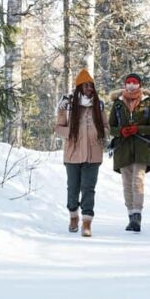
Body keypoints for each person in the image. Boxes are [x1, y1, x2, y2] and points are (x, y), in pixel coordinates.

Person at [55, 68, 106, 237]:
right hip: (73, 154)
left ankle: (86, 222)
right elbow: (58, 127)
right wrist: (70, 133)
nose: (89, 89)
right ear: (79, 88)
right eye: (85, 86)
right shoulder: (68, 105)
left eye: (91, 86)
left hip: (93, 154)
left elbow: (106, 127)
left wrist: (101, 134)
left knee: (88, 188)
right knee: (73, 188)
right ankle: (73, 217)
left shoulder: (99, 104)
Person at [108, 73, 150, 233]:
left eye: (134, 82)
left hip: (142, 147)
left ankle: (137, 215)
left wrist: (138, 129)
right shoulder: (117, 104)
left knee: (138, 181)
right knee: (127, 184)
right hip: (122, 147)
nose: (131, 85)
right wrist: (121, 131)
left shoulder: (148, 103)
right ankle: (130, 216)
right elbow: (111, 128)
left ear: (139, 85)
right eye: (128, 82)